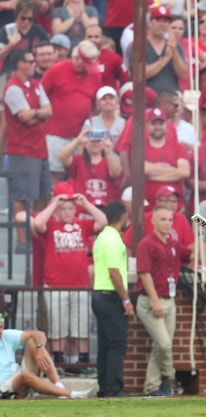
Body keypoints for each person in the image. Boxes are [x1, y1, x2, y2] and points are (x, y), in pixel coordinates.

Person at [32, 182, 107, 375]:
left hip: (80, 284)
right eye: (63, 208)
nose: (67, 212)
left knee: (80, 327)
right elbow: (37, 223)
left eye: (70, 208)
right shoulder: (51, 224)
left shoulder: (81, 225)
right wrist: (54, 203)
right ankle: (58, 361)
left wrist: (87, 203)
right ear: (57, 209)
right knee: (58, 327)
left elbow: (103, 222)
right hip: (55, 284)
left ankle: (79, 363)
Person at [136, 205, 193, 397]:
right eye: (163, 219)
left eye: (170, 220)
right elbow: (144, 274)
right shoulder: (146, 244)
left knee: (160, 345)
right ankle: (169, 379)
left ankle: (152, 387)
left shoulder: (172, 243)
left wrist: (202, 234)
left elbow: (189, 254)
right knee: (164, 344)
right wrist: (155, 302)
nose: (167, 223)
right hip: (151, 301)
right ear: (153, 221)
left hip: (170, 300)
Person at [3, 49, 52, 255]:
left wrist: (37, 114)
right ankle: (22, 240)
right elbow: (25, 119)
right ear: (19, 64)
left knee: (42, 194)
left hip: (40, 149)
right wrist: (39, 115)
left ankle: (36, 235)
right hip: (22, 150)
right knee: (22, 196)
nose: (34, 64)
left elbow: (50, 111)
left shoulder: (36, 84)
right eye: (30, 60)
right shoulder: (12, 88)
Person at [41, 39, 102, 183]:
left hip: (80, 136)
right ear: (76, 59)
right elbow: (41, 98)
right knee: (55, 174)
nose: (88, 67)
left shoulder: (94, 74)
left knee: (80, 173)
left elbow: (93, 104)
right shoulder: (56, 70)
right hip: (55, 134)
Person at [91, 200, 134, 398]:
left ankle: (105, 388)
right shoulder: (113, 239)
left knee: (105, 346)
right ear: (123, 216)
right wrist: (125, 300)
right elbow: (114, 272)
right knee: (116, 345)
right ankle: (114, 389)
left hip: (99, 294)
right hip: (111, 297)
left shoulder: (101, 237)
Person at [0, 315, 94, 399]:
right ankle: (72, 394)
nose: (0, 331)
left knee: (33, 342)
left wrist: (40, 349)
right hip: (4, 386)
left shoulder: (6, 335)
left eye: (1, 327)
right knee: (26, 375)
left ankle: (59, 386)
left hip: (16, 374)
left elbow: (39, 334)